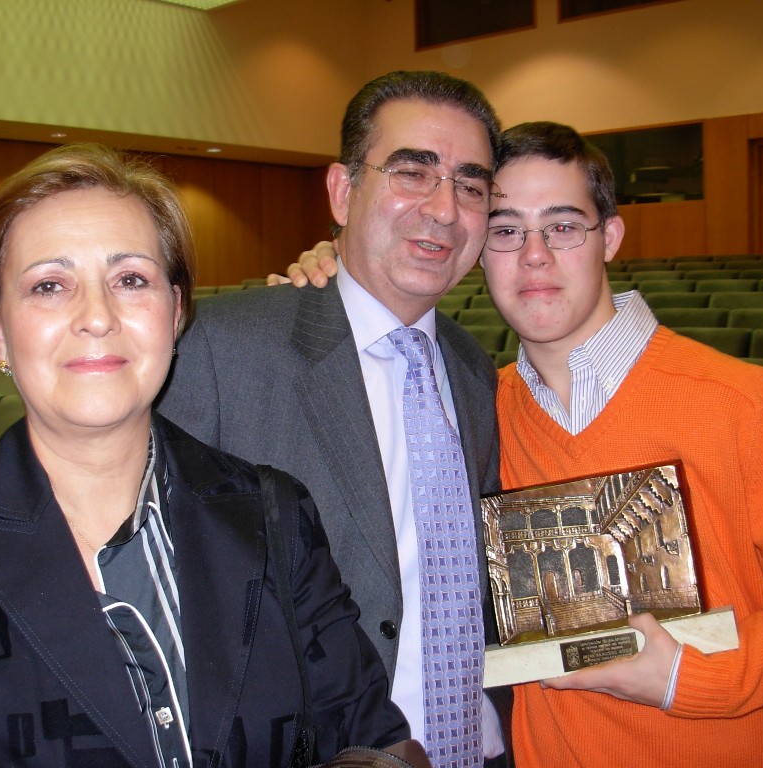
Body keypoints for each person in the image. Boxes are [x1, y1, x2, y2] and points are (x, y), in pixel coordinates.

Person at [289, 121, 763, 768]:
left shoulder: (738, 401)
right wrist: (332, 282)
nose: (534, 255)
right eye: (507, 230)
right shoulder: (474, 409)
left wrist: (691, 676)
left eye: (564, 226)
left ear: (610, 239)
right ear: (480, 246)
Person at [0, 143, 425, 768]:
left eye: (130, 279)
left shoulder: (272, 513)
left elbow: (371, 737)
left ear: (176, 313)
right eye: (49, 285)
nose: (96, 316)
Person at [159, 71, 508, 768]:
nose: (444, 209)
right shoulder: (219, 352)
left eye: (471, 185)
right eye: (413, 173)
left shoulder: (476, 369)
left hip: (487, 747)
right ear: (344, 192)